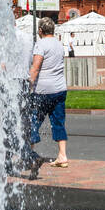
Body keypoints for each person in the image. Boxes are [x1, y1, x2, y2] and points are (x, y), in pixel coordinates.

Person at [27, 18, 69, 168]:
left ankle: (29, 155)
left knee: (32, 121)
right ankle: (62, 156)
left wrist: (28, 85)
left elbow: (36, 67)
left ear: (40, 31)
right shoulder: (59, 44)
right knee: (58, 121)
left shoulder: (40, 44)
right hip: (60, 89)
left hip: (42, 90)